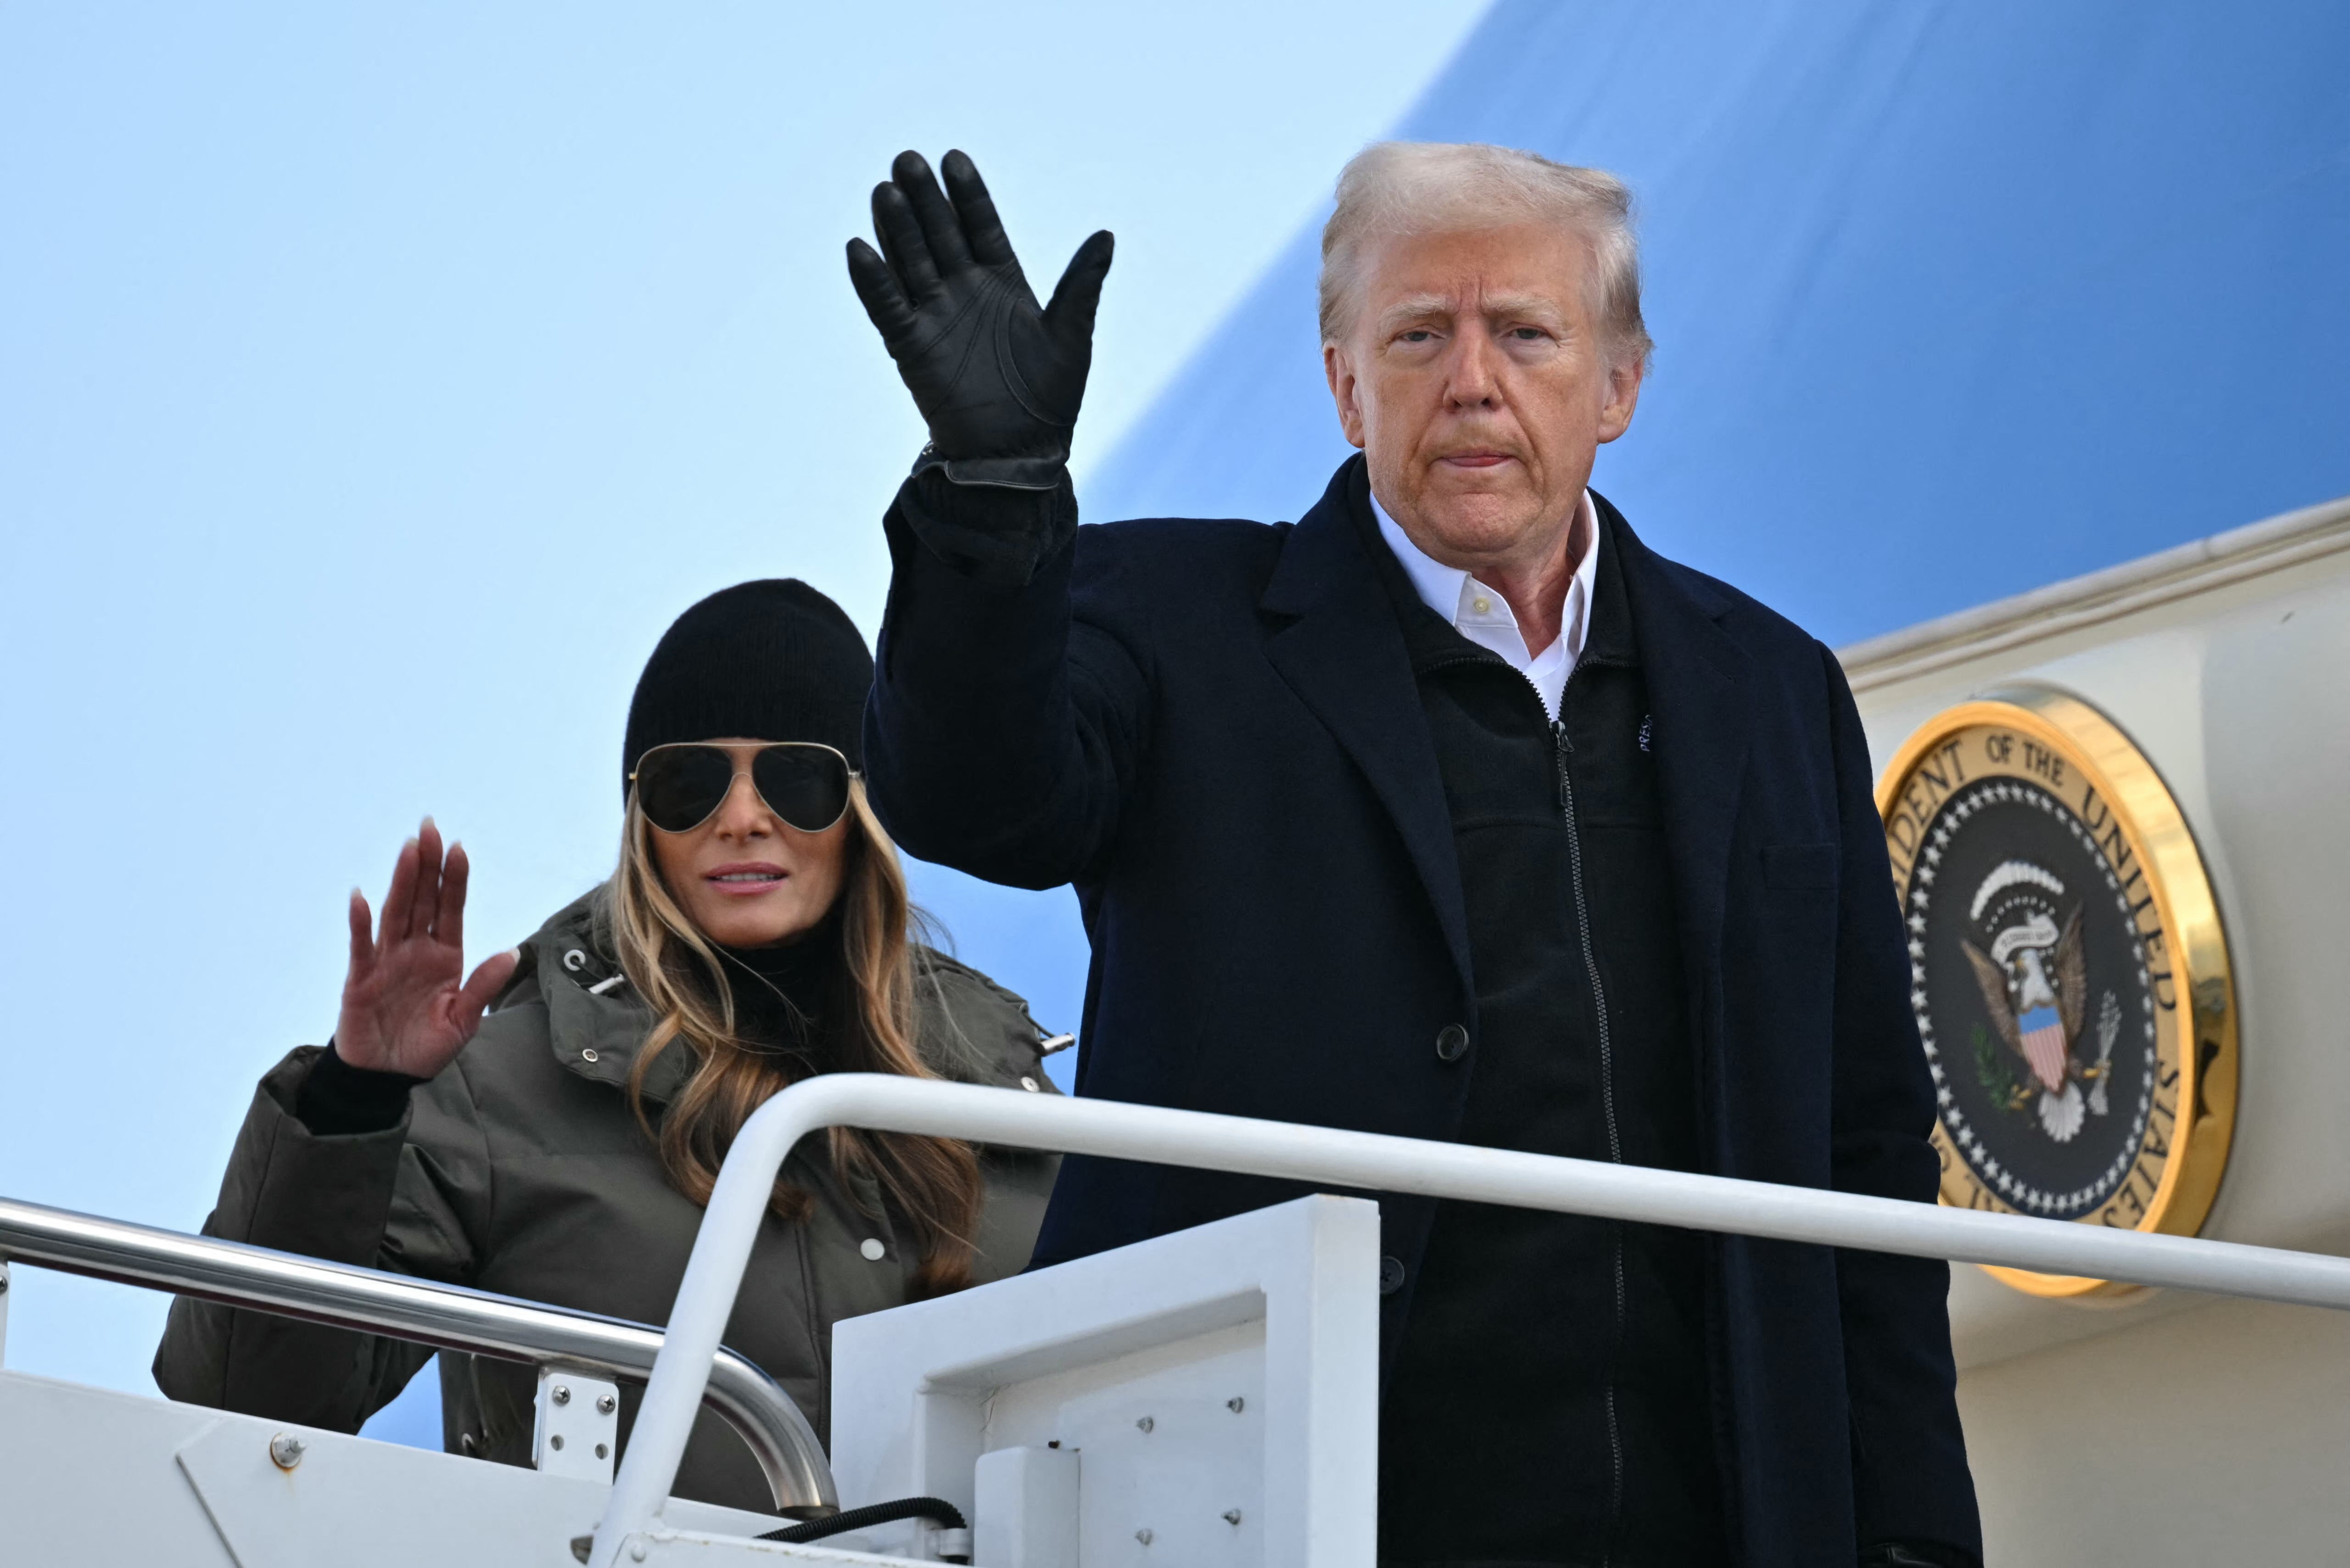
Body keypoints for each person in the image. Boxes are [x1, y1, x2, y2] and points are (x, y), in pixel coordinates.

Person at [846, 145, 1981, 1567]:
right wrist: (994, 491)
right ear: (1345, 386)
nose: (1471, 383)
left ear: (1618, 384)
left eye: (1525, 333)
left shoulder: (1772, 690)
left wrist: (1920, 1542)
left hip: (1715, 1517)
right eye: (1419, 335)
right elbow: (969, 799)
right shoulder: (1172, 622)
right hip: (1281, 1505)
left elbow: (1864, 1156)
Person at [154, 579, 1063, 1513]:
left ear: (862, 807)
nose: (742, 815)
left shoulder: (1001, 1088)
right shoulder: (497, 1089)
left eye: (797, 776)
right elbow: (244, 1397)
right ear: (639, 817)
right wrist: (353, 1100)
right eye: (688, 782)